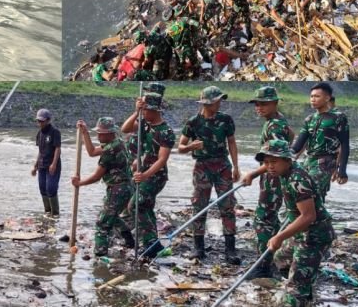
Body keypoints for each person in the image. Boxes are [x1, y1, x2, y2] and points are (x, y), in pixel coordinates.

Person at [247, 139, 335, 306]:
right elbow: (268, 166)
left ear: (287, 160)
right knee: (280, 257)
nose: (270, 166)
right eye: (266, 162)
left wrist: (280, 236)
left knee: (294, 292)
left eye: (274, 161)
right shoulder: (284, 172)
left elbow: (308, 216)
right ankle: (305, 286)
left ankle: (299, 290)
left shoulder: (297, 180)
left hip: (314, 236)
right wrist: (252, 174)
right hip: (301, 232)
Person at [178, 86, 240, 263]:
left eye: (220, 100)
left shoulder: (226, 120)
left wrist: (236, 167)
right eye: (216, 101)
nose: (220, 104)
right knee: (199, 206)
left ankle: (230, 250)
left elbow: (232, 143)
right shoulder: (193, 122)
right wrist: (191, 146)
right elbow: (180, 147)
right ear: (207, 102)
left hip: (223, 167)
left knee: (227, 206)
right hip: (202, 168)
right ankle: (198, 248)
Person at [241, 86, 295, 279]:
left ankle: (264, 265)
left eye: (263, 104)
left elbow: (275, 158)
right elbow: (292, 137)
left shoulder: (274, 126)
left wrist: (253, 173)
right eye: (257, 104)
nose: (259, 107)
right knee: (271, 218)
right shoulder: (278, 121)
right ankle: (277, 258)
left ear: (275, 103)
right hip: (274, 174)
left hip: (273, 176)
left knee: (263, 218)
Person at [122, 87, 176, 259]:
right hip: (142, 171)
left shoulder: (165, 132)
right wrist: (136, 111)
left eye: (146, 110)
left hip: (156, 175)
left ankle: (151, 243)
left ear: (154, 110)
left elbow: (162, 160)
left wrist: (145, 175)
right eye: (143, 110)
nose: (144, 113)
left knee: (136, 205)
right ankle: (153, 242)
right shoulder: (145, 123)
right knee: (146, 206)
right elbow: (125, 128)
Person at [72, 117, 135, 257]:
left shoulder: (110, 150)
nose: (98, 135)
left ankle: (100, 256)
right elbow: (92, 152)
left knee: (102, 223)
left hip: (118, 189)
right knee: (112, 217)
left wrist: (79, 183)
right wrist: (85, 133)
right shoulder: (117, 143)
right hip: (124, 188)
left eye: (101, 133)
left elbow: (96, 177)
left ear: (110, 133)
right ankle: (130, 241)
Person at [290, 82, 350, 199]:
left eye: (317, 96)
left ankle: (318, 216)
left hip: (325, 163)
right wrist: (281, 153)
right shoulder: (310, 119)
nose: (313, 99)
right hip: (308, 161)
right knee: (297, 190)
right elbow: (298, 145)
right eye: (311, 96)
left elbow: (345, 144)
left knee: (313, 193)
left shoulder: (338, 117)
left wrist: (342, 170)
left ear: (327, 98)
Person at [32, 108, 62, 215]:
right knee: (42, 188)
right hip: (42, 165)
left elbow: (57, 149)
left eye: (42, 121)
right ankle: (47, 211)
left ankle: (55, 213)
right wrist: (35, 167)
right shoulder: (39, 134)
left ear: (48, 120)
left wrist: (54, 164)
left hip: (52, 165)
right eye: (38, 121)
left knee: (51, 188)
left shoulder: (55, 132)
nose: (40, 123)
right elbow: (40, 151)